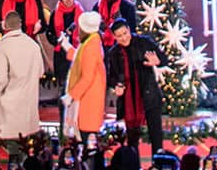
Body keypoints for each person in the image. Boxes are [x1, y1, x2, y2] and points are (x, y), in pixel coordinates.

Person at [104, 19, 165, 162]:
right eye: (119, 36)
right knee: (132, 139)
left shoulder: (144, 43)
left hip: (149, 95)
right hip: (129, 100)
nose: (124, 38)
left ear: (129, 30)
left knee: (155, 134)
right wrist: (116, 87)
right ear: (114, 37)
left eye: (125, 33)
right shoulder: (114, 53)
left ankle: (158, 164)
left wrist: (157, 62)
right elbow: (112, 77)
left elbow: (163, 58)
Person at [0, 17, 45, 146]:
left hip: (8, 110)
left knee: (12, 151)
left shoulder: (2, 46)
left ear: (5, 26)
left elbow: (0, 79)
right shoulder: (33, 45)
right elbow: (40, 72)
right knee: (26, 152)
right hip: (29, 110)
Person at [63, 12, 107, 167]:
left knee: (88, 144)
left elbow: (87, 77)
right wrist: (67, 47)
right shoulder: (90, 43)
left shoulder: (90, 47)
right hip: (88, 100)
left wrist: (71, 95)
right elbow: (79, 59)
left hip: (88, 101)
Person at [47, 0, 85, 90]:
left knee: (77, 78)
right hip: (61, 52)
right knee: (62, 82)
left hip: (76, 49)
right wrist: (56, 40)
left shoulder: (81, 13)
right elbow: (49, 32)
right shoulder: (55, 13)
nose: (68, 0)